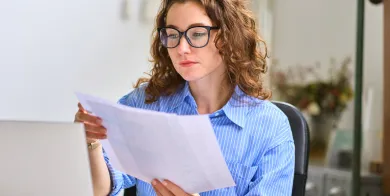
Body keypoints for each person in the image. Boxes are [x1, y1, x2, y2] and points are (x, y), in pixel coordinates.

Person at [74, 0, 295, 195]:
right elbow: (100, 190)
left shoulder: (271, 127)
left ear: (228, 37)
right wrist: (91, 144)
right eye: (172, 34)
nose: (181, 48)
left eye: (197, 33)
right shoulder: (145, 103)